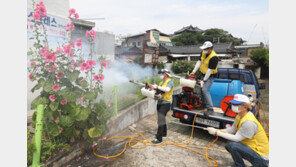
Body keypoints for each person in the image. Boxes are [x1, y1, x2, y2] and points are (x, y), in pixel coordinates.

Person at [205, 94, 269, 167]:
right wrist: (216, 130)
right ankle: (239, 165)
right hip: (253, 150)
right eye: (232, 103)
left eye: (236, 104)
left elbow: (237, 138)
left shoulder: (249, 122)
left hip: (262, 157)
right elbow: (231, 130)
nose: (232, 106)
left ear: (245, 107)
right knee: (230, 144)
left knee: (233, 145)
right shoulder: (239, 116)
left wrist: (217, 133)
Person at [190, 41, 219, 116]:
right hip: (203, 73)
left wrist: (203, 80)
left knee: (205, 90)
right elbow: (199, 62)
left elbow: (209, 71)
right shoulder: (203, 52)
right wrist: (193, 72)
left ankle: (210, 109)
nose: (204, 50)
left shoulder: (214, 57)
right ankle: (203, 105)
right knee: (201, 88)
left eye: (206, 49)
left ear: (210, 49)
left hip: (210, 75)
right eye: (204, 49)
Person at [150, 69, 174, 144]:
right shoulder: (161, 82)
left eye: (161, 73)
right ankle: (164, 134)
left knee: (160, 120)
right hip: (160, 102)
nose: (160, 75)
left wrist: (157, 87)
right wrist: (155, 90)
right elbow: (160, 92)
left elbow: (167, 89)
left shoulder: (170, 82)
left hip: (166, 103)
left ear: (165, 74)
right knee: (162, 119)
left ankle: (159, 139)